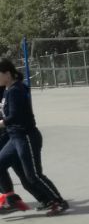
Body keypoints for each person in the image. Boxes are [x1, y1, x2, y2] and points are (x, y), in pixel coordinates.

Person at [0, 59, 68, 216]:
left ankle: (59, 201)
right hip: (14, 138)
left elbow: (15, 115)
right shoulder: (8, 89)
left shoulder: (16, 89)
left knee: (33, 175)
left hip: (26, 137)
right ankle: (45, 201)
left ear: (7, 74)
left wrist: (1, 123)